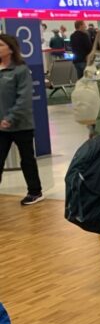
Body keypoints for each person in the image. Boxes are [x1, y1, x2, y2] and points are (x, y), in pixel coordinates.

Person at [0, 34, 43, 206]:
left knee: (27, 159)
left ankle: (35, 191)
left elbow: (24, 98)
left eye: (1, 45)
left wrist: (10, 118)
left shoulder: (20, 69)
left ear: (10, 49)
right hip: (1, 126)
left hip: (20, 124)